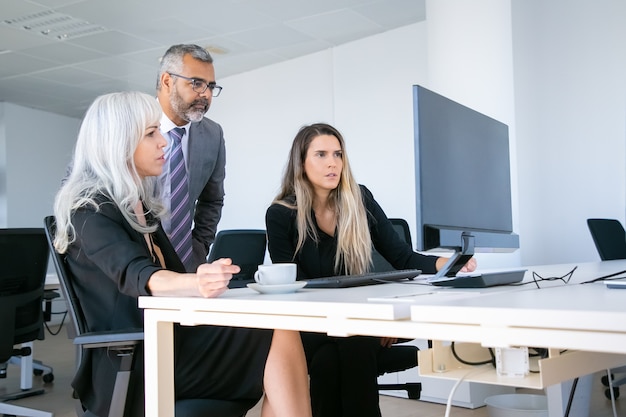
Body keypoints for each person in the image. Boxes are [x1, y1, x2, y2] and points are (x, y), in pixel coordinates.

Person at [53, 91, 311, 417]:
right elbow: (138, 275)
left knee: (279, 325)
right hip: (137, 362)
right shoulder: (89, 209)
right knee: (277, 334)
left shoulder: (139, 207)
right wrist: (195, 282)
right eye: (151, 134)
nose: (164, 142)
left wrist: (207, 278)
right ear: (117, 143)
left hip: (171, 342)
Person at [265, 122, 476, 417]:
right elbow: (289, 284)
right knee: (347, 347)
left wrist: (448, 263)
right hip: (311, 325)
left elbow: (402, 257)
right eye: (321, 155)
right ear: (301, 162)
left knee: (340, 354)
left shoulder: (359, 199)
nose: (332, 163)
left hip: (355, 323)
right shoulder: (281, 215)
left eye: (338, 155)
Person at [156, 44, 227, 271]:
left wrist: (199, 247)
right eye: (196, 83)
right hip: (131, 264)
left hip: (186, 264)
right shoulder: (130, 124)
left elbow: (212, 200)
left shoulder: (213, 134)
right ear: (167, 82)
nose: (205, 94)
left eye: (211, 86)